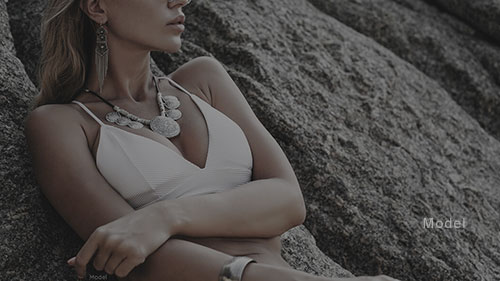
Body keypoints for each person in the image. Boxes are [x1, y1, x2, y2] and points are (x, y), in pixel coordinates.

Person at [23, 0, 401, 281]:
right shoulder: (61, 124)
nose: (181, 0)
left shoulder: (204, 79)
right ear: (97, 6)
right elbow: (135, 257)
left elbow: (288, 200)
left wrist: (165, 216)